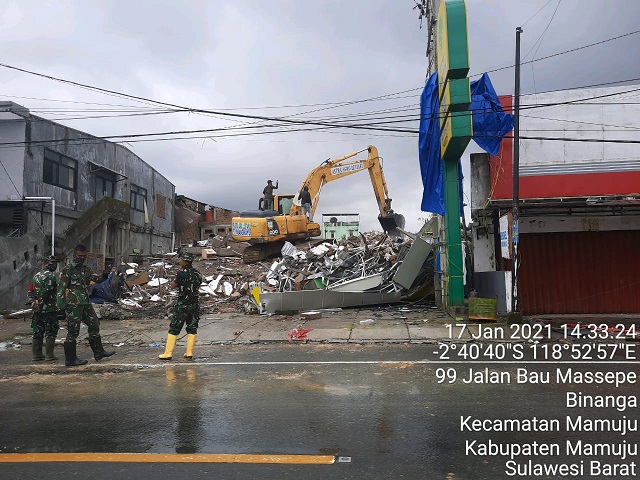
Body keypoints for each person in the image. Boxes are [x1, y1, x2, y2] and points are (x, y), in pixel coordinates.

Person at [56, 244, 115, 367]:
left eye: (84, 256)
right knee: (73, 330)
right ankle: (70, 359)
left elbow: (97, 280)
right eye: (79, 256)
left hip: (85, 302)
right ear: (74, 255)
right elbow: (61, 289)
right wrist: (61, 307)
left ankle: (99, 352)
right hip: (74, 303)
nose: (81, 258)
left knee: (94, 324)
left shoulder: (85, 269)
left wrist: (104, 275)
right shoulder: (68, 270)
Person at [158, 252, 203, 361]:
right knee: (192, 327)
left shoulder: (181, 273)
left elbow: (173, 286)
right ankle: (189, 352)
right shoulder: (197, 274)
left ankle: (168, 353)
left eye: (182, 261)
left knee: (174, 328)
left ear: (185, 262)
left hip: (183, 305)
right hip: (194, 304)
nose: (180, 262)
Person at [30, 255, 62, 361]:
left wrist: (33, 302)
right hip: (49, 309)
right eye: (52, 263)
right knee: (51, 330)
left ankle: (37, 354)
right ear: (46, 264)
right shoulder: (52, 276)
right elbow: (46, 292)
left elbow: (30, 290)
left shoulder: (36, 276)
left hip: (37, 309)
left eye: (55, 263)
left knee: (38, 331)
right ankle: (49, 355)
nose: (54, 265)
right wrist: (40, 302)